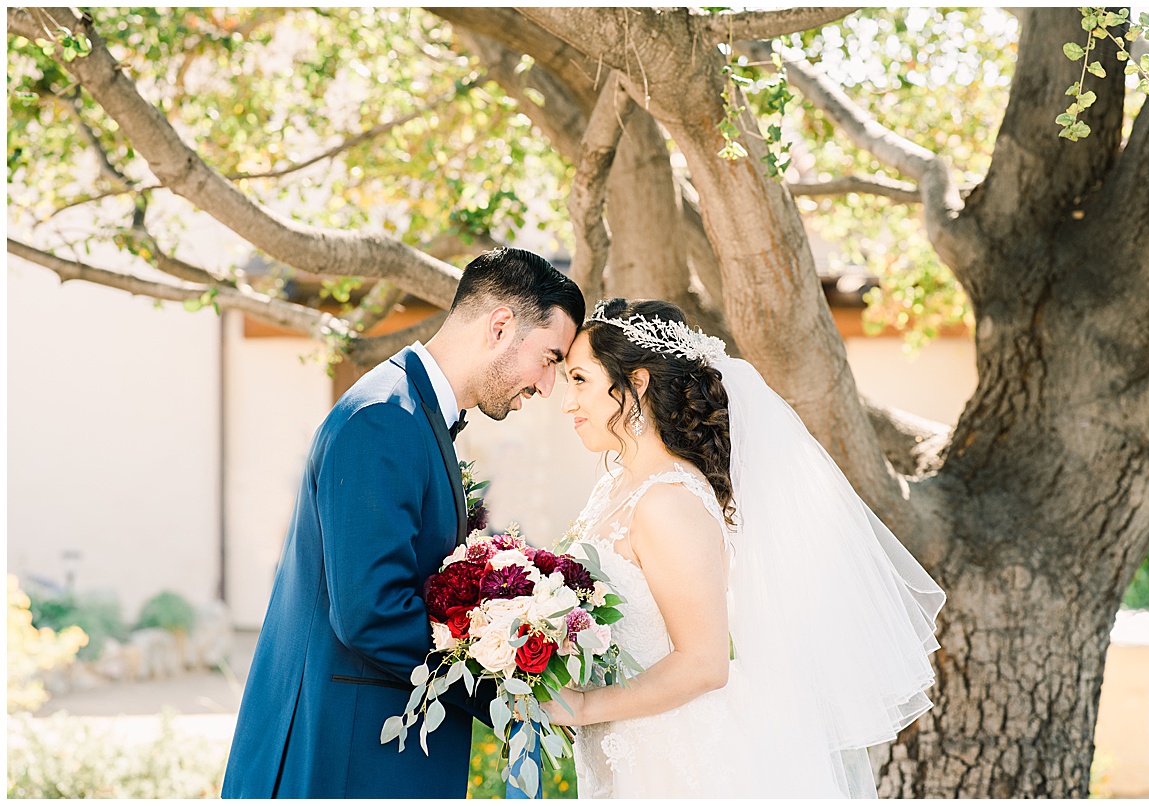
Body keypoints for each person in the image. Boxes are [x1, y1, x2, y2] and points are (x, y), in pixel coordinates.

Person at [545, 298, 946, 798]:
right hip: (626, 742)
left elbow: (704, 663)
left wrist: (585, 706)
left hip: (676, 757)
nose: (567, 402)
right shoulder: (617, 487)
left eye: (579, 380)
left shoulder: (667, 502)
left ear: (637, 383)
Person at [221, 248, 584, 798]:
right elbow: (372, 611)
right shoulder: (383, 419)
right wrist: (506, 690)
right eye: (551, 357)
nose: (547, 385)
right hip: (343, 755)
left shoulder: (411, 412)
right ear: (502, 326)